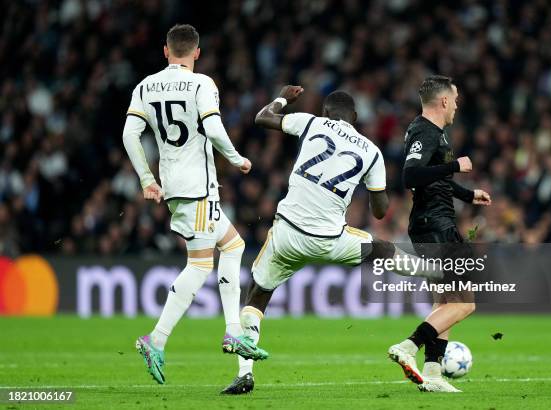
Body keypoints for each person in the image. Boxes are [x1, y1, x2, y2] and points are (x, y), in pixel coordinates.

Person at [224, 85, 440, 392]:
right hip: (330, 238)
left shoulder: (311, 122)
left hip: (287, 233)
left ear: (327, 113)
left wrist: (284, 97)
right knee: (379, 249)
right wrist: (371, 188)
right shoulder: (371, 152)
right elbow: (380, 212)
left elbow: (262, 118)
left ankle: (245, 373)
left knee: (258, 293)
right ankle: (438, 271)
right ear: (354, 117)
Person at [121, 24, 267, 389]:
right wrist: (236, 159)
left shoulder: (145, 86)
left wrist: (145, 178)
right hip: (199, 187)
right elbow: (215, 130)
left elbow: (129, 135)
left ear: (166, 51)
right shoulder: (202, 84)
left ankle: (233, 329)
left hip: (174, 185)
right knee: (200, 265)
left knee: (234, 245)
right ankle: (156, 339)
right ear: (197, 53)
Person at [387, 75, 491, 393]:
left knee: (445, 301)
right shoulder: (424, 130)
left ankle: (432, 375)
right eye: (455, 98)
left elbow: (436, 181)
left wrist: (467, 195)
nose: (457, 104)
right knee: (466, 303)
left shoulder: (438, 135)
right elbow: (410, 176)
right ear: (444, 101)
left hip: (433, 223)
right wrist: (454, 167)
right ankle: (408, 346)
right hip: (435, 227)